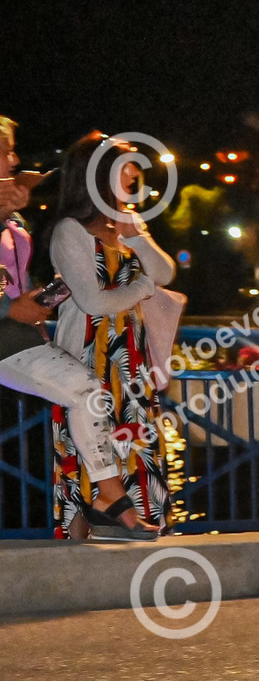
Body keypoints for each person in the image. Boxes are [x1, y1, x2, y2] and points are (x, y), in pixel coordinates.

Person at [0, 120, 158, 539]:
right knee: (86, 395)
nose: (15, 159)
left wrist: (34, 302)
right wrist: (9, 307)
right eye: (6, 150)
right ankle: (104, 504)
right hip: (32, 336)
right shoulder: (69, 228)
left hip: (19, 337)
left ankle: (109, 501)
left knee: (87, 393)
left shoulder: (14, 215)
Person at [36, 132, 175, 538]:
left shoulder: (127, 223)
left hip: (130, 356)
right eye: (126, 165)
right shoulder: (70, 231)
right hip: (86, 355)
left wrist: (136, 236)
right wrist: (142, 288)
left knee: (135, 442)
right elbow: (94, 302)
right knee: (88, 450)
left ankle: (142, 528)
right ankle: (80, 549)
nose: (134, 173)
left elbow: (165, 272)